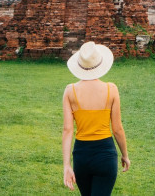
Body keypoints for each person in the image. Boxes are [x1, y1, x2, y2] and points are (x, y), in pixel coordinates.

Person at [62, 41, 130, 194]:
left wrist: (67, 165)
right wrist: (125, 155)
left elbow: (67, 130)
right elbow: (117, 129)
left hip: (81, 156)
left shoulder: (70, 91)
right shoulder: (111, 90)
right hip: (105, 155)